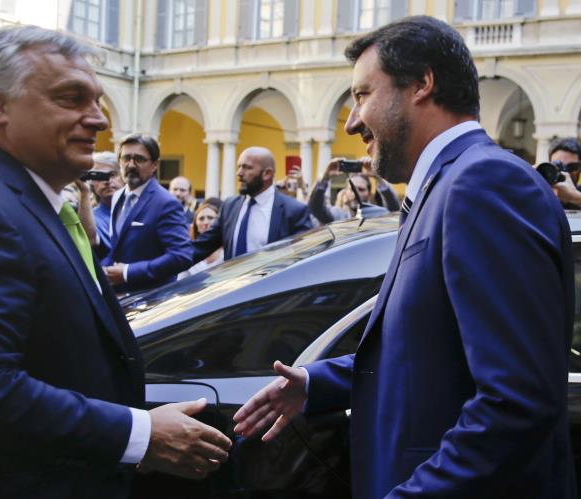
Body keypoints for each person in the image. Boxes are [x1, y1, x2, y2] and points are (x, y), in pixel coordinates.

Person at [234, 16, 576, 499]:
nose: (352, 121)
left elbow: (516, 403)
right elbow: (424, 350)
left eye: (362, 95)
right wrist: (314, 382)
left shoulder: (483, 184)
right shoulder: (449, 184)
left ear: (421, 84)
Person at [0, 25, 230, 499]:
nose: (99, 120)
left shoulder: (23, 199)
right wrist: (140, 435)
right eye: (71, 99)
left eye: (97, 101)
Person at [103, 134, 193, 293]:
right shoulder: (117, 196)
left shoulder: (166, 203)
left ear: (154, 165)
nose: (131, 165)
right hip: (120, 296)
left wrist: (128, 272)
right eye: (126, 158)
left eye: (139, 159)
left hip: (154, 298)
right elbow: (118, 247)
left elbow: (181, 256)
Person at [193, 146, 313, 262]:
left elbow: (304, 257)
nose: (239, 173)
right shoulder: (229, 206)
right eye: (239, 167)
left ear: (267, 173)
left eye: (247, 168)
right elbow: (201, 247)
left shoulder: (294, 211)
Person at [308, 157, 399, 225]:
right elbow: (316, 208)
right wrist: (325, 177)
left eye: (361, 189)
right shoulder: (337, 215)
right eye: (352, 189)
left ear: (369, 193)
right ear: (345, 192)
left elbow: (394, 211)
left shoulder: (376, 215)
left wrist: (378, 178)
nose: (355, 193)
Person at [178, 197, 224, 278]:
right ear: (195, 225)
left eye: (210, 218)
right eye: (201, 218)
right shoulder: (189, 251)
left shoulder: (227, 251)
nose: (206, 222)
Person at [90, 151, 123, 258]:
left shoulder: (141, 211)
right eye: (100, 177)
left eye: (112, 175)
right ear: (92, 184)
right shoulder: (91, 219)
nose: (107, 181)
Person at [544, 137, 581, 209]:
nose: (565, 172)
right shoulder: (542, 194)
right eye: (558, 165)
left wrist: (576, 197)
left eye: (572, 166)